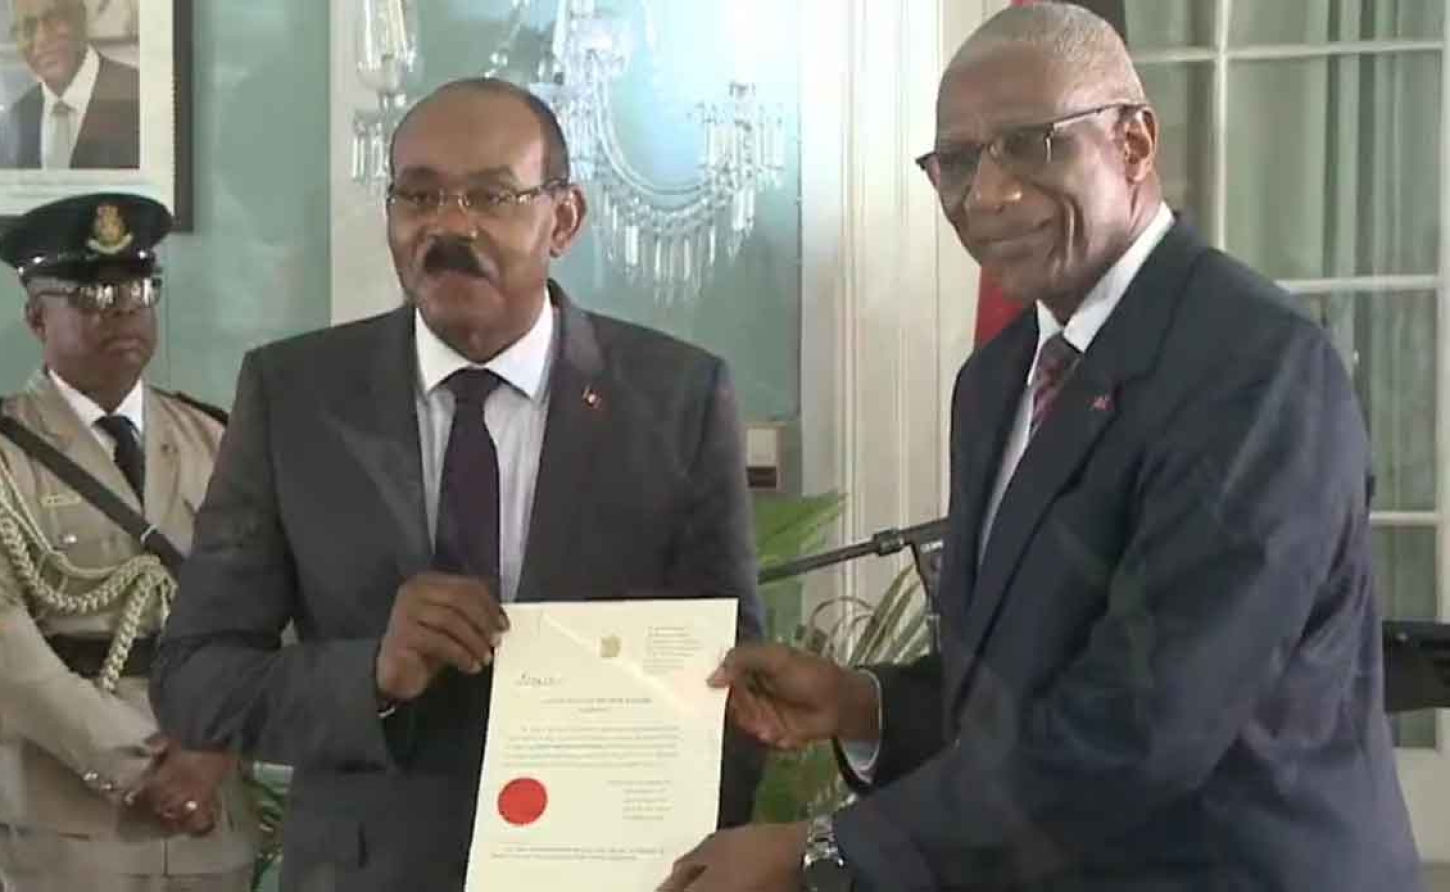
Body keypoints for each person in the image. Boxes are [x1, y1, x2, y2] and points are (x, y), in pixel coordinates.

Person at [662, 3, 1422, 891]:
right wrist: (863, 703)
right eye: (955, 162)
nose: (984, 195)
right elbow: (1028, 673)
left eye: (1030, 144)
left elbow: (1143, 726)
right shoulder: (995, 380)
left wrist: (830, 852)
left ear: (1135, 144)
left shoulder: (1255, 369)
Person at [149, 77, 764, 892]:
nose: (448, 226)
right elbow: (196, 682)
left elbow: (731, 687)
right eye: (420, 195)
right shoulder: (295, 394)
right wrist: (372, 674)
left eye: (490, 195)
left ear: (564, 219)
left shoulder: (677, 398)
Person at [0, 193, 256, 891]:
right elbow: (9, 654)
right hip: (64, 820)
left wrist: (213, 756)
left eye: (137, 290)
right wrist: (141, 767)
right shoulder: (7, 455)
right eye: (89, 294)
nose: (119, 311)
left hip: (213, 811)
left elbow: (270, 612)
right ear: (35, 317)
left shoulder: (220, 438)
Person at [0, 0, 140, 169]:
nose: (41, 38)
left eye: (53, 18)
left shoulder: (139, 93)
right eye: (28, 28)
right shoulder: (19, 115)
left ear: (80, 19)